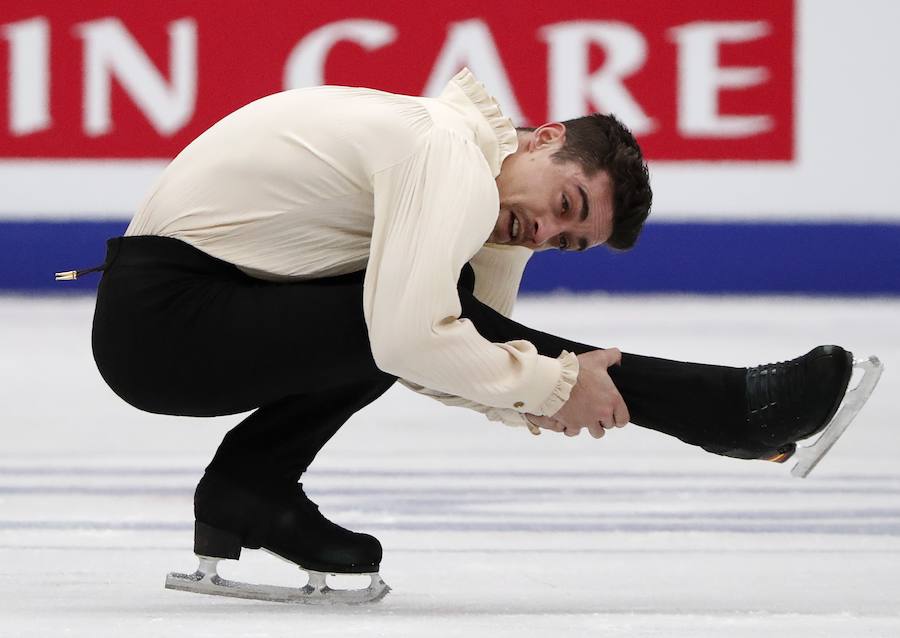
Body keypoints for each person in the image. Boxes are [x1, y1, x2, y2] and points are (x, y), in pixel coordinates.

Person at [64, 68, 867, 603]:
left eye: (568, 242)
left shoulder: (481, 204)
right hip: (163, 322)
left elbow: (462, 354)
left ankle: (249, 490)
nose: (546, 231)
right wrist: (554, 387)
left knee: (425, 309)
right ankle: (727, 410)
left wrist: (546, 397)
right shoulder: (443, 150)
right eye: (568, 204)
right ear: (545, 136)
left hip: (198, 314)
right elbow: (419, 339)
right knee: (412, 311)